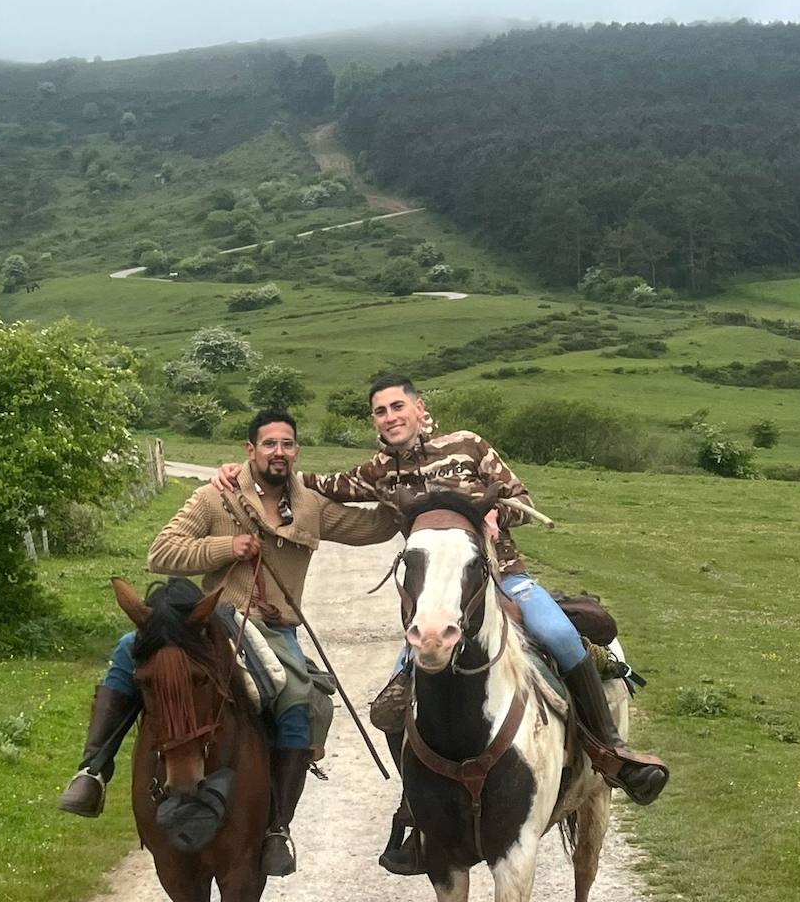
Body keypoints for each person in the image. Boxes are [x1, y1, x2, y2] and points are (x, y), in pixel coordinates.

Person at [213, 375, 669, 875]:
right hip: (433, 599)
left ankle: (609, 750)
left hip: (500, 577)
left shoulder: (467, 445)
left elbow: (519, 495)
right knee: (393, 704)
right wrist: (242, 473)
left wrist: (494, 513)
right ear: (375, 421)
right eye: (380, 411)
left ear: (418, 408)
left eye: (397, 406)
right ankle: (418, 808)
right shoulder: (379, 472)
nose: (390, 416)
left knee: (559, 635)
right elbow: (314, 483)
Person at [59, 409, 398, 879]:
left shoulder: (310, 505)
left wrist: (413, 498)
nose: (278, 452)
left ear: (296, 451)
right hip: (215, 620)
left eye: (287, 444)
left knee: (300, 699)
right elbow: (162, 552)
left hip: (276, 628)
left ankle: (277, 825)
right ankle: (93, 769)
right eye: (269, 444)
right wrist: (226, 548)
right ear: (250, 450)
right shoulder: (214, 498)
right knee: (127, 650)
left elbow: (372, 529)